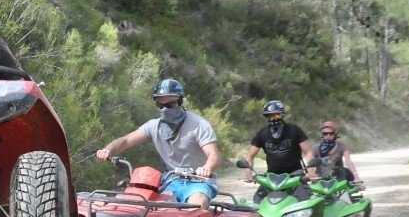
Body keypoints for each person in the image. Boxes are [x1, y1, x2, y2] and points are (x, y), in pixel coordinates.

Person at [95, 78, 220, 209]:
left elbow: (214, 154)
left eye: (170, 104)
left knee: (196, 204)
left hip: (198, 182)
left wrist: (207, 168)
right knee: (140, 205)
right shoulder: (154, 126)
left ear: (180, 101)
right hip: (169, 181)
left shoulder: (198, 125)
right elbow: (125, 140)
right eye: (161, 105)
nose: (165, 109)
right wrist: (107, 150)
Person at [243, 100, 316, 202]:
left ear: (282, 115)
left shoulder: (294, 130)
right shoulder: (262, 133)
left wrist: (311, 172)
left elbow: (308, 152)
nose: (273, 118)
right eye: (270, 116)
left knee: (307, 201)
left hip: (295, 176)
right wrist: (248, 173)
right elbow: (250, 156)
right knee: (257, 202)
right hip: (272, 177)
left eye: (276, 115)